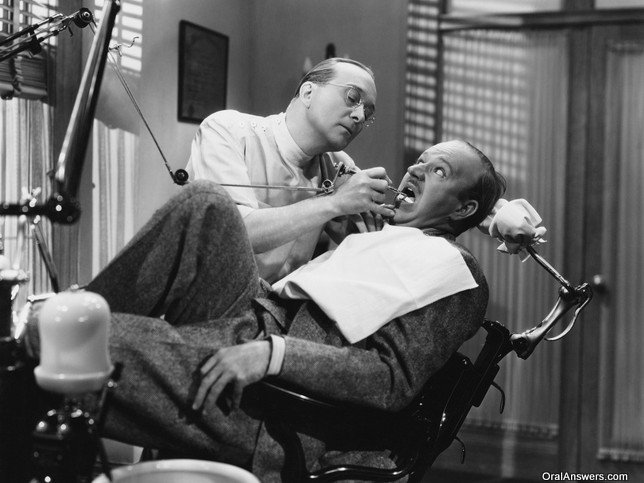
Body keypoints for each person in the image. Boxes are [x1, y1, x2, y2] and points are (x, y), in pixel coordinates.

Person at [27, 140, 526, 481]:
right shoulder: (384, 236)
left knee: (62, 341)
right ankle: (75, 312)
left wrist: (272, 354)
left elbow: (390, 379)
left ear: (463, 210)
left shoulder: (456, 272)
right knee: (207, 202)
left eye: (438, 171)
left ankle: (60, 329)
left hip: (277, 402)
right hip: (255, 316)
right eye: (421, 161)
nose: (415, 169)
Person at [186, 57, 394, 283]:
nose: (359, 117)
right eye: (352, 98)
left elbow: (373, 247)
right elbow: (231, 232)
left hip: (274, 303)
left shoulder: (337, 165)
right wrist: (334, 203)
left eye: (368, 113)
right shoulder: (227, 130)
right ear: (308, 93)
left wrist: (370, 226)